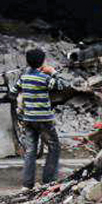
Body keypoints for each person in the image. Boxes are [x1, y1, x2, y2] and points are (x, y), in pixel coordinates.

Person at [17, 47, 67, 188]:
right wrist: (53, 72)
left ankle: (27, 184)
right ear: (42, 62)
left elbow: (14, 90)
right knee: (54, 147)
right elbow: (62, 85)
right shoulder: (45, 78)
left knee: (30, 150)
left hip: (28, 119)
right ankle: (49, 180)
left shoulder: (24, 77)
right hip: (44, 119)